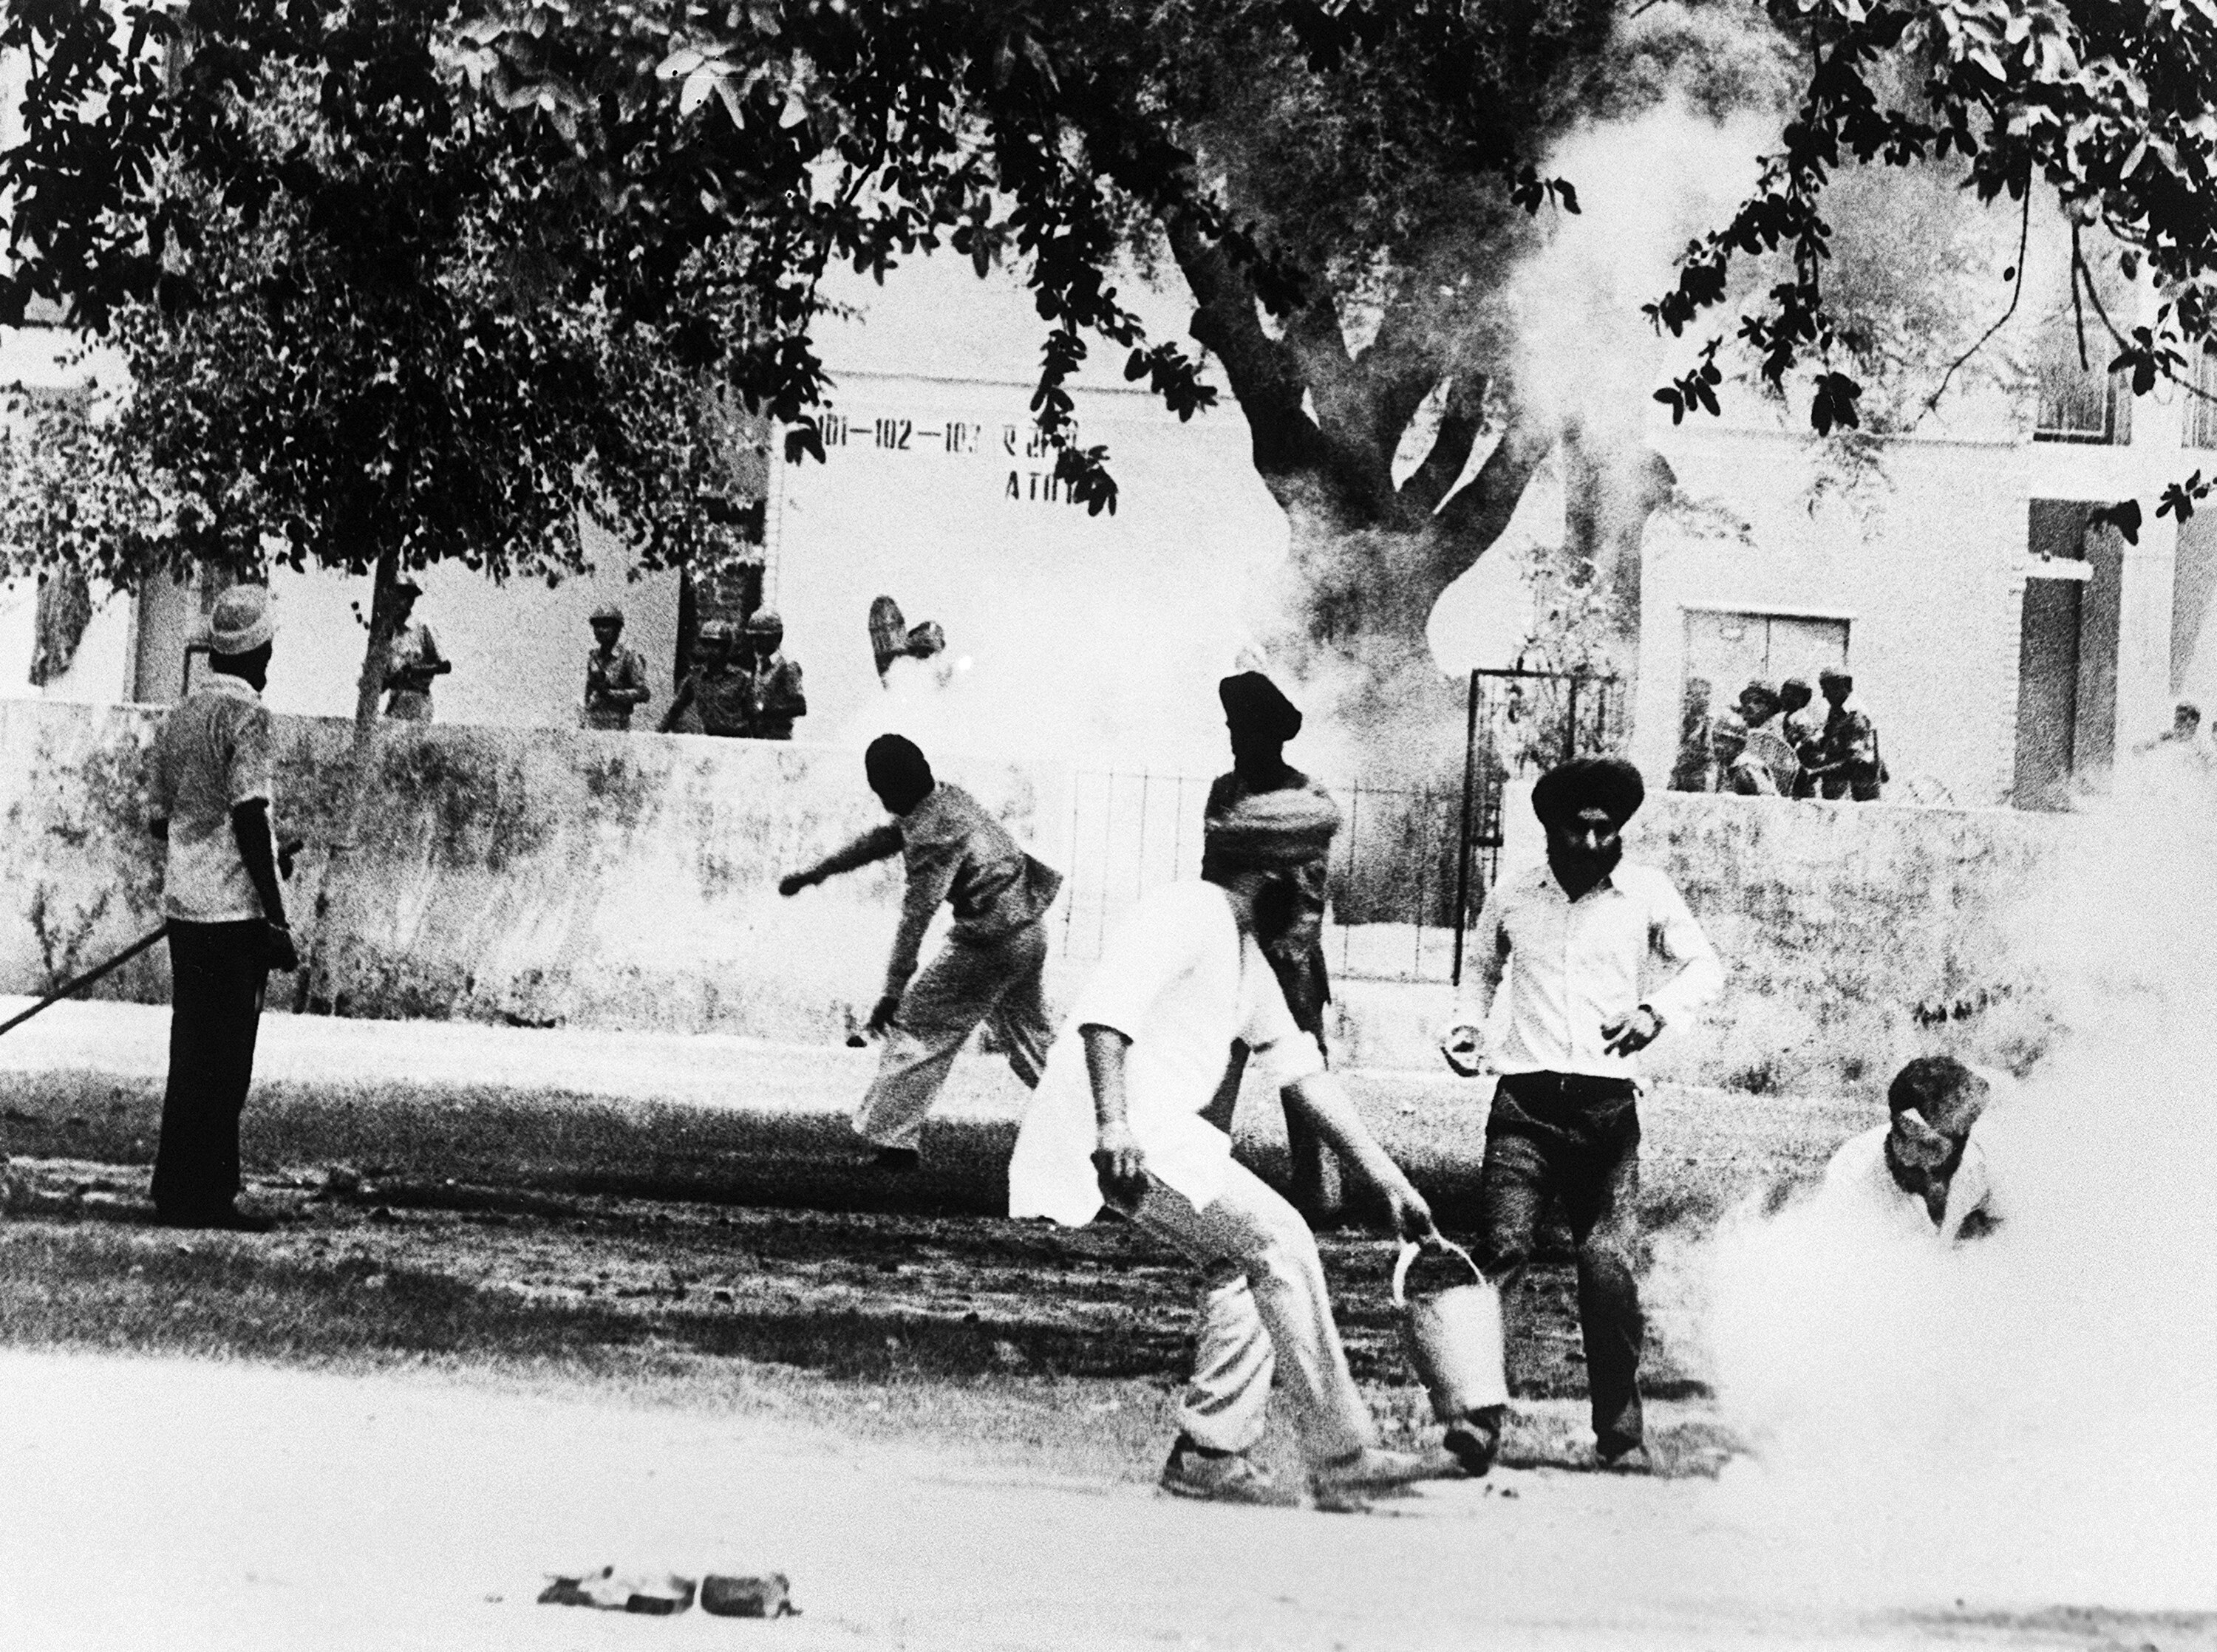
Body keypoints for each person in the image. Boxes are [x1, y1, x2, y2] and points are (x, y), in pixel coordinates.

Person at [1007, 786, 1454, 1510]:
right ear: (1271, 870)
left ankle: (1210, 1452)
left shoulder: (1245, 954)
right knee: (1279, 1238)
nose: (1318, 891)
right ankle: (1342, 1453)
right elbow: (1103, 1018)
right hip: (1122, 1128)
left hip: (1155, 1131)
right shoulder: (1185, 911)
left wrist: (1391, 1183)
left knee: (1246, 1265)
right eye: (1310, 873)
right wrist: (1113, 1127)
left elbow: (1303, 1074)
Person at [1440, 756, 1723, 1471]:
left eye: (1607, 829)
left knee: (1607, 1265)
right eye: (1580, 828)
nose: (1594, 843)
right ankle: (1478, 1421)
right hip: (1524, 1107)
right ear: (1551, 829)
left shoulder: (1646, 893)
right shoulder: (1512, 895)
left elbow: (1705, 967)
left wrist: (1655, 1012)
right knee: (1501, 1254)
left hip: (1606, 1110)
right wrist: (1466, 1028)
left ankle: (1621, 1433)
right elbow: (1478, 970)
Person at [778, 736, 1063, 1168]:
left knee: (916, 1027)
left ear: (884, 788)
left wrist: (892, 993)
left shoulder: (933, 835)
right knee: (1031, 1042)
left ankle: (894, 1144)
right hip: (1028, 933)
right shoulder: (949, 798)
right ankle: (1102, 1115)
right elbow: (888, 839)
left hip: (990, 941)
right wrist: (817, 873)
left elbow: (917, 915)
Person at [146, 585, 299, 1231]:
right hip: (233, 915)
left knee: (191, 1048)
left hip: (186, 907)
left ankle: (176, 1188)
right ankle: (211, 1195)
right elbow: (247, 812)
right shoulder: (250, 719)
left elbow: (162, 822)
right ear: (258, 650)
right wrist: (276, 913)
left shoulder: (180, 718)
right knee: (229, 1055)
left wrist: (214, 844)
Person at [1201, 671, 1344, 1221]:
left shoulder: (1307, 797)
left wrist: (1289, 949)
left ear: (1274, 738)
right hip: (1234, 943)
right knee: (1215, 1061)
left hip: (1289, 956)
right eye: (1235, 730)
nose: (1240, 742)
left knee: (1302, 1070)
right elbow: (1213, 870)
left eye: (1250, 732)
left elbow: (1312, 892)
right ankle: (1201, 1176)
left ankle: (1320, 1190)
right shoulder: (1225, 790)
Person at [1809, 1056, 2003, 1244]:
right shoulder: (1851, 1171)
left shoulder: (1981, 1165)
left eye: (1929, 1146)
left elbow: (2005, 1229)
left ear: (1960, 1143)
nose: (1908, 1157)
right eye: (1901, 1135)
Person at [658, 621, 752, 737]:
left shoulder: (741, 678)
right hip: (711, 738)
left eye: (716, 645)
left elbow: (754, 715)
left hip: (738, 739)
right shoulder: (696, 677)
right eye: (707, 644)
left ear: (726, 648)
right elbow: (675, 709)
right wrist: (657, 735)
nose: (711, 650)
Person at [1806, 667, 1884, 802]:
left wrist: (1816, 772)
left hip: (1857, 793)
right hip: (1839, 790)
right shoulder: (1836, 714)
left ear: (1844, 686)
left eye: (1827, 689)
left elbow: (1855, 760)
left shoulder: (1855, 717)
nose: (1824, 695)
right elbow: (1826, 745)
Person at [380, 578, 450, 722]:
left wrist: (413, 670)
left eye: (400, 598)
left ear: (410, 601)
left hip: (418, 700)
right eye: (391, 598)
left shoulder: (422, 627)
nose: (395, 603)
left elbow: (445, 666)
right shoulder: (388, 635)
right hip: (395, 702)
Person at [582, 603, 653, 731]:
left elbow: (643, 693)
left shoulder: (628, 657)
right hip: (593, 721)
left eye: (606, 626)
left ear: (618, 629)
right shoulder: (594, 657)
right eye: (597, 626)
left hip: (617, 723)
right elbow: (589, 690)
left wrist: (612, 695)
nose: (600, 630)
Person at [739, 609, 808, 740]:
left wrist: (765, 710)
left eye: (761, 638)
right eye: (754, 638)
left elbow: (800, 706)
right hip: (757, 737)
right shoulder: (760, 666)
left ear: (776, 638)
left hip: (778, 739)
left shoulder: (787, 667)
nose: (756, 643)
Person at [1734, 681, 1801, 796]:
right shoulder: (1740, 732)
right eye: (1746, 702)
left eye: (1758, 702)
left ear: (1771, 706)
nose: (1750, 706)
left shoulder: (1781, 730)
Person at [1667, 677, 1717, 793]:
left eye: (1707, 694)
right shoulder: (1684, 721)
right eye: (1698, 695)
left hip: (1701, 772)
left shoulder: (1709, 723)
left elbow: (1709, 750)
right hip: (1682, 769)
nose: (1705, 699)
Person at [1779, 677, 1823, 799]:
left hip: (1798, 765)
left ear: (1803, 698)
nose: (1787, 697)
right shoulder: (1779, 719)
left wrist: (1798, 739)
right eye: (1785, 693)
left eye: (1793, 695)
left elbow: (1808, 742)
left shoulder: (1803, 719)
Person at [1711, 718, 1777, 796]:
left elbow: (1767, 798)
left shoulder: (1746, 767)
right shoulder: (1724, 764)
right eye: (1716, 739)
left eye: (1724, 740)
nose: (1718, 745)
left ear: (1739, 745)